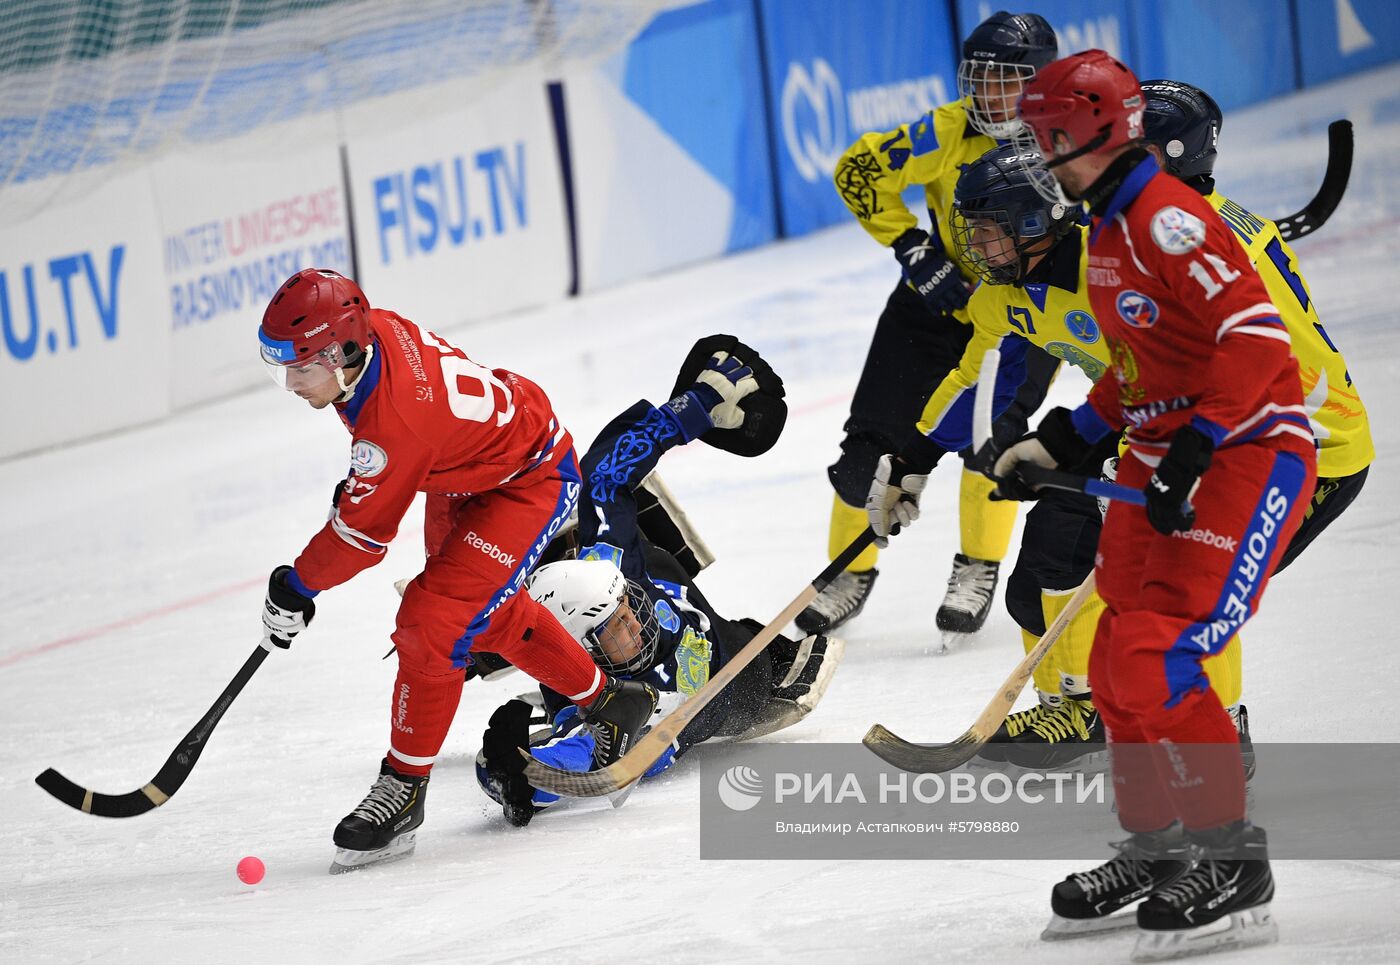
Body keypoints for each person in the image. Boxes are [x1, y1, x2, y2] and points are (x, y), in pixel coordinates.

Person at [255, 270, 751, 872]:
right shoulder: (372, 339)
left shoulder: (394, 423)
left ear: (342, 354)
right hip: (472, 467)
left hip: (525, 480)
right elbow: (398, 447)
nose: (290, 383)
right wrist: (370, 486)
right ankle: (610, 699)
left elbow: (361, 540)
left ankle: (403, 788)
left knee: (432, 622)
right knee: (482, 617)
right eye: (282, 367)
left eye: (300, 368)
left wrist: (295, 588)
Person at [990, 51, 1317, 958]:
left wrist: (1199, 449)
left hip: (1246, 453)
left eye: (1048, 138)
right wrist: (1063, 438)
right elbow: (1139, 368)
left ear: (1095, 132)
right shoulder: (1104, 226)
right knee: (1111, 660)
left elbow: (1256, 340)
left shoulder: (1168, 220)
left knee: (1156, 654)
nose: (1038, 156)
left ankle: (1234, 860)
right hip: (1159, 452)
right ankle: (1159, 848)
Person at [474, 338, 843, 825]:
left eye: (626, 608)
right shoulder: (631, 706)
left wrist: (697, 406)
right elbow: (588, 758)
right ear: (583, 653)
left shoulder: (609, 574)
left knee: (585, 503)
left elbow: (604, 476)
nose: (635, 620)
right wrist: (512, 774)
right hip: (745, 669)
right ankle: (495, 637)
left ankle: (494, 622)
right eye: (616, 628)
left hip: (655, 591)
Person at [797, 11, 1060, 640]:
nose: (989, 94)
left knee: (991, 442)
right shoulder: (946, 129)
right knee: (866, 450)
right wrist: (913, 248)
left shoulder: (1066, 142)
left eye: (1006, 81)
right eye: (980, 79)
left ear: (1041, 84)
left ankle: (977, 566)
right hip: (934, 304)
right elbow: (857, 171)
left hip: (1023, 311)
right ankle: (848, 572)